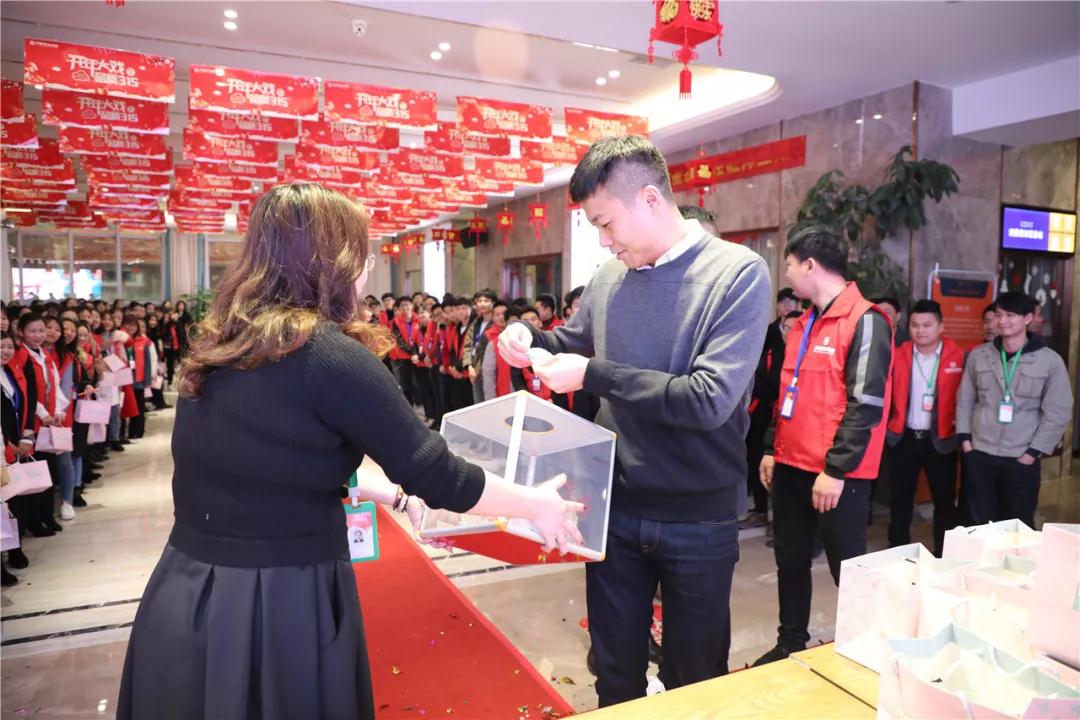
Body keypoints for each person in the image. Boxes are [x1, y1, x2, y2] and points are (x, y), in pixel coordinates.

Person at [117, 183, 583, 720]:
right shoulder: (328, 356)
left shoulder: (225, 344)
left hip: (190, 588)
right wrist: (535, 504)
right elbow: (437, 473)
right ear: (333, 260)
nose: (365, 270)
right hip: (279, 597)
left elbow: (283, 467)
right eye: (363, 254)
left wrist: (398, 499)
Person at [498, 136, 771, 705]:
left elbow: (709, 399)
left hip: (698, 515)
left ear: (649, 199)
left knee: (694, 679)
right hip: (616, 507)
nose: (603, 240)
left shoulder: (737, 274)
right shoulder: (609, 277)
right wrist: (528, 338)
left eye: (605, 223)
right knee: (615, 672)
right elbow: (572, 342)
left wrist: (594, 374)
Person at [756, 225, 893, 666]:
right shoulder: (803, 322)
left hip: (836, 475)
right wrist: (771, 447)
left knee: (847, 567)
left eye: (790, 265)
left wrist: (835, 470)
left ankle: (864, 648)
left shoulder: (866, 321)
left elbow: (865, 405)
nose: (787, 274)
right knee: (791, 559)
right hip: (791, 464)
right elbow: (786, 392)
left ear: (810, 265)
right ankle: (791, 641)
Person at [956, 291, 1072, 528]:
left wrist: (1033, 453)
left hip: (1021, 457)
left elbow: (1058, 412)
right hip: (980, 453)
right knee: (978, 523)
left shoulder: (1049, 361)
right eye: (999, 315)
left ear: (1027, 318)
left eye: (1011, 315)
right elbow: (965, 400)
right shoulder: (979, 355)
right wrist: (966, 443)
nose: (1002, 321)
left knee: (1017, 525)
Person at [884, 300, 964, 556]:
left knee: (944, 501)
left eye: (927, 325)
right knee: (900, 500)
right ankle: (897, 551)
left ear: (941, 327)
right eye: (915, 325)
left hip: (941, 440)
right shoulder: (898, 355)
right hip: (904, 438)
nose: (920, 330)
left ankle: (944, 554)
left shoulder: (958, 357)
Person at [743, 288, 800, 528]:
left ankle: (783, 522)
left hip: (792, 417)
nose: (789, 333)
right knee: (757, 458)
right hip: (764, 412)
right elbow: (760, 376)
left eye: (795, 329)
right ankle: (760, 510)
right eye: (786, 328)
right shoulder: (770, 340)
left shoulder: (806, 353)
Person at [463, 289, 497, 405]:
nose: (482, 304)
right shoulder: (476, 323)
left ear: (493, 303)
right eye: (479, 301)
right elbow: (468, 346)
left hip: (490, 371)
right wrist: (469, 366)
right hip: (474, 370)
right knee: (478, 404)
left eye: (486, 301)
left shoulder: (496, 323)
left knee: (490, 404)